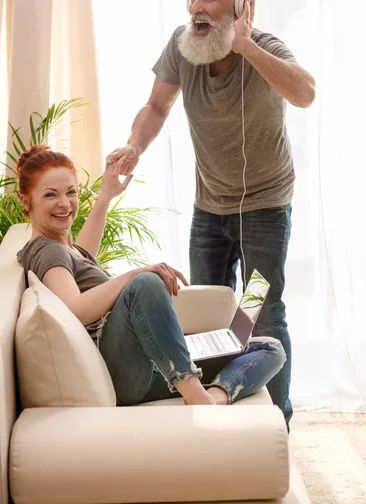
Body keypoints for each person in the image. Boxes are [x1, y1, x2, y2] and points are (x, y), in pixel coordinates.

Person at [106, 0, 316, 426]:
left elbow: (305, 93)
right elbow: (157, 105)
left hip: (263, 209)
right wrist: (134, 146)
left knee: (259, 311)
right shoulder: (183, 47)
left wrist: (245, 45)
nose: (197, 8)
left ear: (242, 8)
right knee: (211, 314)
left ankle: (277, 421)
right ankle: (223, 407)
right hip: (210, 212)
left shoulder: (265, 48)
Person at [16, 144, 286, 406]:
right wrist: (134, 274)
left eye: (71, 192)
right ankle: (197, 397)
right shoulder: (47, 250)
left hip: (141, 367)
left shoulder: (67, 248)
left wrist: (106, 195)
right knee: (144, 282)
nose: (64, 204)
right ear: (26, 202)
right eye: (50, 195)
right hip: (123, 375)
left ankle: (217, 395)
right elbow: (73, 310)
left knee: (269, 348)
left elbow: (84, 251)